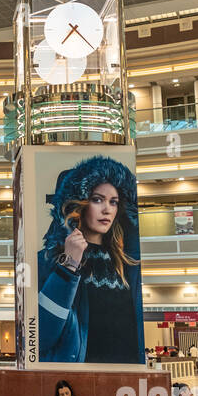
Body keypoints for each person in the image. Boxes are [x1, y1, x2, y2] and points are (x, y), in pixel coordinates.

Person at [36, 156, 143, 364]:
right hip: (75, 378)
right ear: (79, 204)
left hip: (126, 377)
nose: (107, 209)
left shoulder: (130, 264)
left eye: (114, 202)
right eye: (97, 199)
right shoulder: (48, 260)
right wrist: (68, 266)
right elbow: (42, 336)